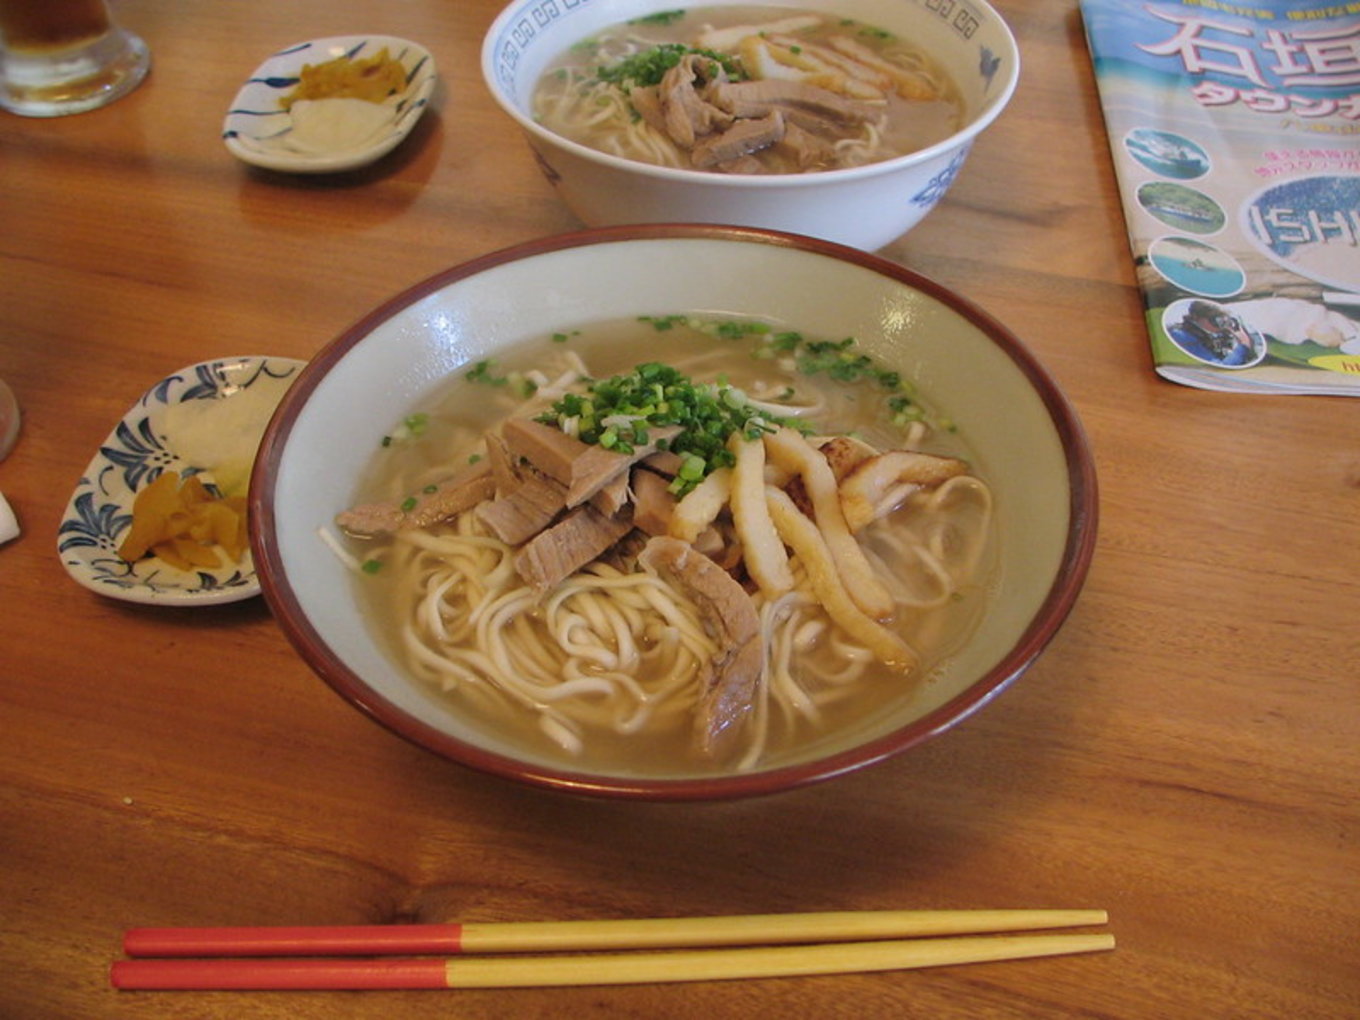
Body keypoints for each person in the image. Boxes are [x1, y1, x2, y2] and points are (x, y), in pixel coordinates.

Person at [1167, 301, 1256, 366]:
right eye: (1217, 320)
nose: (1222, 326)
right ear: (1196, 317)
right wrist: (1243, 346)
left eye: (1224, 321)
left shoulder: (1216, 332)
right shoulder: (1181, 336)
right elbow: (1219, 367)